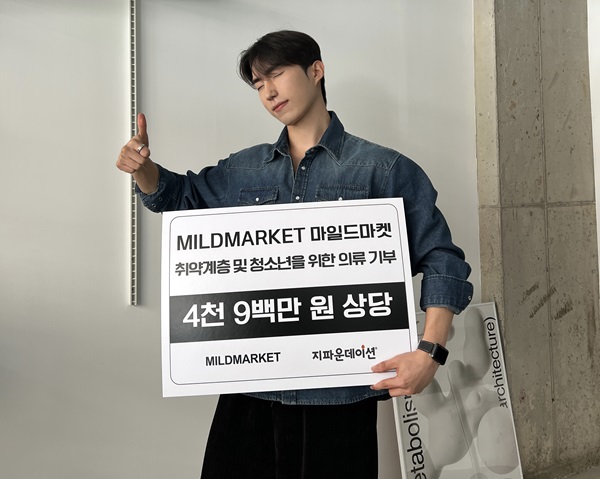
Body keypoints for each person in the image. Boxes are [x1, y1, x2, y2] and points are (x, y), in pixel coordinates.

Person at [116, 30, 473, 479]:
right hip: (249, 393)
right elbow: (180, 198)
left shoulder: (384, 170)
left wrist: (430, 352)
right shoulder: (244, 170)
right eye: (258, 83)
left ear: (316, 70)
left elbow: (442, 259)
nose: (268, 91)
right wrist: (144, 169)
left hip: (341, 399)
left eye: (277, 74)